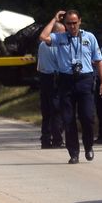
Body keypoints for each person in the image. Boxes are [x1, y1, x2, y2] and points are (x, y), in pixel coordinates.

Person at [39, 9, 102, 164]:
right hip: (66, 80)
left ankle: (88, 145)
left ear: (80, 21)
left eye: (74, 23)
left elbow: (98, 61)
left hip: (85, 79)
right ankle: (73, 153)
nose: (72, 26)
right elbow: (43, 37)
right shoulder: (59, 37)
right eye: (68, 23)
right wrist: (54, 18)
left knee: (87, 117)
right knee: (68, 119)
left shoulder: (89, 37)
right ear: (65, 24)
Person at [37, 21, 65, 149]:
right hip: (55, 77)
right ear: (56, 32)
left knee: (46, 110)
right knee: (56, 110)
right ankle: (57, 139)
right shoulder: (55, 45)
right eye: (62, 32)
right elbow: (61, 63)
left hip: (44, 77)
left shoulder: (42, 45)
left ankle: (45, 139)